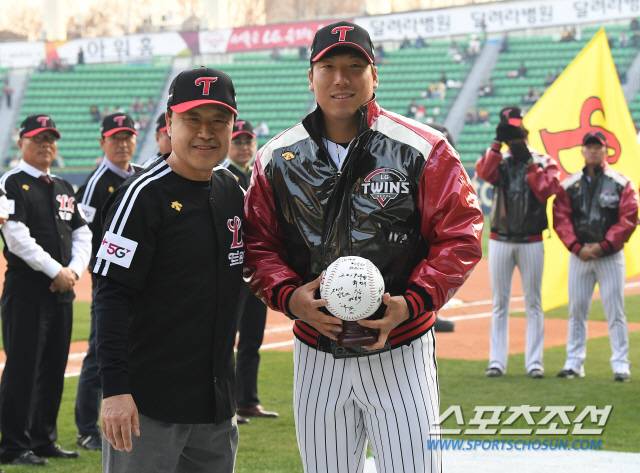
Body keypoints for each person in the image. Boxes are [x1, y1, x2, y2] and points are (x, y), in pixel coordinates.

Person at [243, 21, 483, 473]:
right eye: (328, 67)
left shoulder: (422, 148)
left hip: (401, 349)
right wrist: (290, 297)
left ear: (375, 75)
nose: (341, 79)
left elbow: (460, 234)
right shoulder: (276, 158)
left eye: (355, 67)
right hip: (316, 352)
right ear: (310, 77)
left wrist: (412, 303)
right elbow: (257, 246)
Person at [94, 67, 244, 473]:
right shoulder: (141, 196)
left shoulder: (232, 191)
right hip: (148, 408)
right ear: (169, 123)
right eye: (193, 119)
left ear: (232, 126)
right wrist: (115, 391)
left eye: (218, 121)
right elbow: (110, 297)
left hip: (215, 408)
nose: (205, 132)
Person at [0, 115, 92, 466]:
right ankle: (13, 445)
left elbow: (82, 232)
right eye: (38, 139)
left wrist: (73, 271)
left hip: (62, 291)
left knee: (53, 367)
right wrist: (57, 271)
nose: (46, 145)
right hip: (27, 290)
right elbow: (16, 237)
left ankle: (43, 438)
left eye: (51, 139)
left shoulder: (64, 186)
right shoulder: (12, 182)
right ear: (21, 142)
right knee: (23, 367)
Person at [475, 107, 560, 379]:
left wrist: (529, 162)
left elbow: (546, 190)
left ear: (525, 132)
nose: (515, 138)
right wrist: (496, 144)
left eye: (517, 133)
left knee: (533, 302)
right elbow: (484, 173)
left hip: (531, 239)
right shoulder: (499, 158)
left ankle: (534, 362)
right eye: (510, 133)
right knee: (500, 303)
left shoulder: (542, 160)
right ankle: (496, 362)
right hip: (500, 238)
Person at [74, 113, 139, 451]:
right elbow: (81, 235)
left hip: (137, 284)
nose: (122, 144)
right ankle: (87, 428)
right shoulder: (95, 183)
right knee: (99, 354)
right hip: (109, 284)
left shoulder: (139, 176)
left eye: (127, 137)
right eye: (115, 138)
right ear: (103, 142)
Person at [553, 132, 638, 382]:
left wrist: (603, 246)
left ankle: (621, 365)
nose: (593, 151)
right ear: (582, 151)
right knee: (577, 310)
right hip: (580, 255)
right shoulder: (569, 185)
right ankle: (573, 363)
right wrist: (577, 247)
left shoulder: (621, 183)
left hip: (609, 256)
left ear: (605, 151)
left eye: (597, 147)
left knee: (615, 310)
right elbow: (561, 218)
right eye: (589, 147)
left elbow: (628, 218)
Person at [222, 119, 278, 425]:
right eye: (238, 141)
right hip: (232, 268)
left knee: (252, 339)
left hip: (256, 268)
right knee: (226, 339)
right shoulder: (222, 175)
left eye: (248, 141)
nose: (244, 147)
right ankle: (227, 403)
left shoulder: (259, 173)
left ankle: (247, 400)